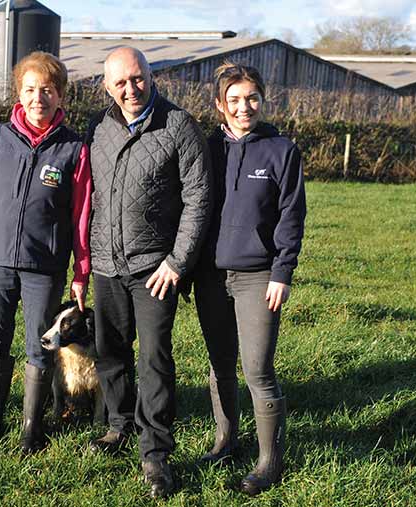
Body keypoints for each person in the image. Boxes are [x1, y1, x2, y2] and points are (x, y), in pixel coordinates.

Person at [85, 47, 211, 498]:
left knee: (154, 358)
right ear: (107, 86)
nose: (130, 89)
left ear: (151, 75)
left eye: (137, 78)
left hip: (154, 268)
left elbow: (199, 199)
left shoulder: (178, 125)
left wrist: (177, 261)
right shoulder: (97, 129)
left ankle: (155, 451)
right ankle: (118, 426)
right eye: (120, 82)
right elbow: (89, 196)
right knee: (110, 351)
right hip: (106, 263)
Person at [0, 51, 92, 453]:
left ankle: (31, 430)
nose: (39, 98)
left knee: (40, 343)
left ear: (61, 96)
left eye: (48, 90)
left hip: (44, 266)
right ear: (19, 93)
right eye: (31, 89)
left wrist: (80, 271)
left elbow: (82, 214)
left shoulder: (74, 149)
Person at [193, 62, 306, 496]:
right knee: (219, 364)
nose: (245, 108)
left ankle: (268, 460)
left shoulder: (281, 151)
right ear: (220, 105)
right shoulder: (206, 148)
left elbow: (291, 218)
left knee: (257, 369)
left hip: (259, 277)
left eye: (252, 98)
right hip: (209, 277)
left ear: (263, 99)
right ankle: (225, 440)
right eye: (235, 100)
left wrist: (282, 272)